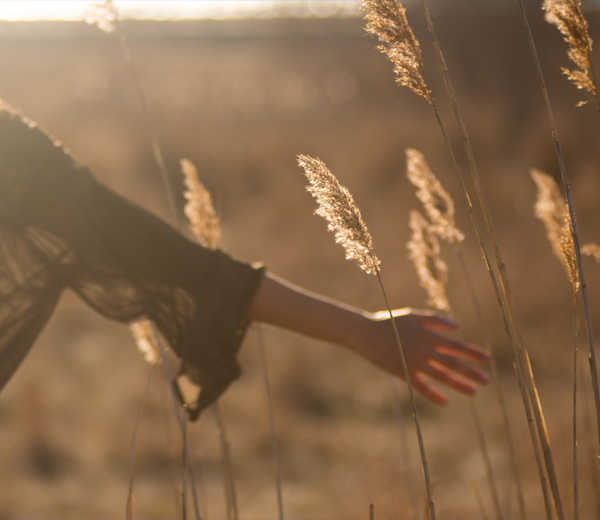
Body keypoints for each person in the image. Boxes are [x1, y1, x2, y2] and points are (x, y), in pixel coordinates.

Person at [0, 103, 489, 417]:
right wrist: (359, 330)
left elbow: (173, 262)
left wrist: (361, 331)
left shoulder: (17, 156)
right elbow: (181, 265)